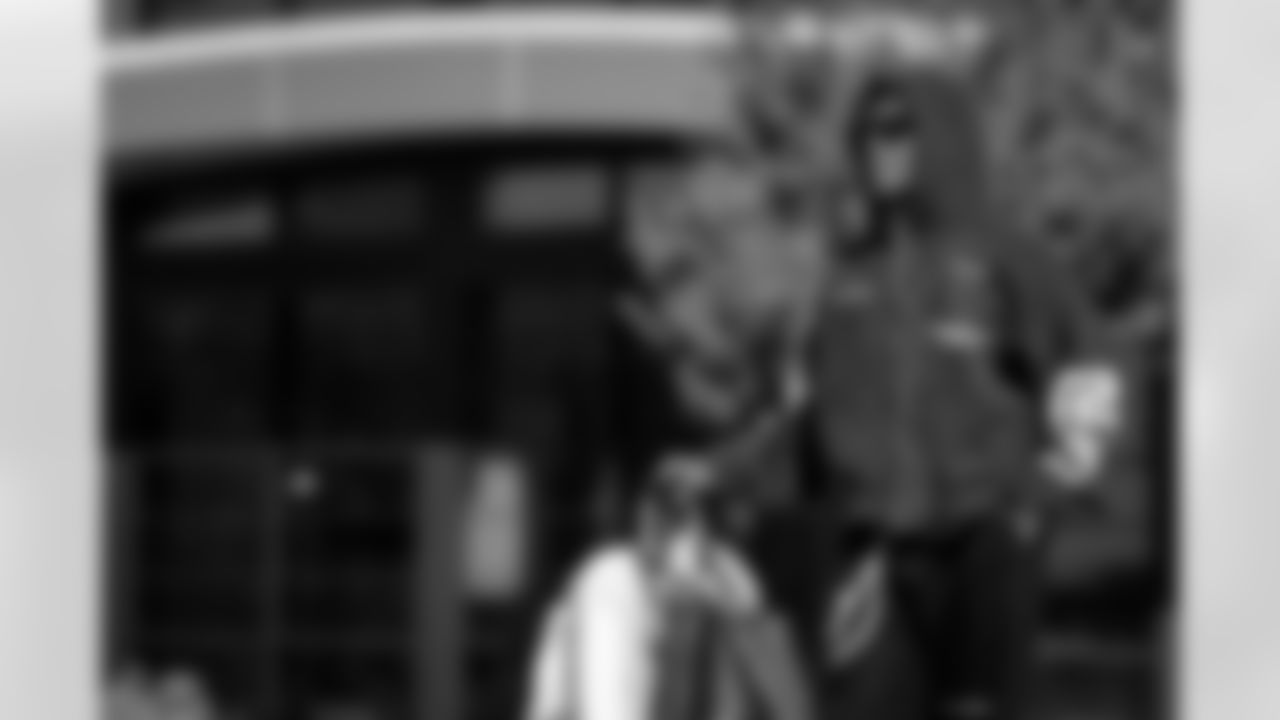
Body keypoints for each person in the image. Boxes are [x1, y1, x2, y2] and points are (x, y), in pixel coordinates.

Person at [800, 71, 1126, 720]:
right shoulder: (846, 282)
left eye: (897, 129)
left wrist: (1044, 491)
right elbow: (809, 426)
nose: (878, 146)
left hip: (986, 545)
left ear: (940, 138)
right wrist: (720, 474)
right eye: (866, 131)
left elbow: (1091, 361)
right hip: (879, 557)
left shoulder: (1003, 257)